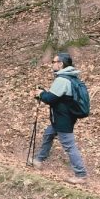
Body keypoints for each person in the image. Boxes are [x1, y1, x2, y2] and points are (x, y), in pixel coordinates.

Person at [32, 53, 88, 184]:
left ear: (61, 64)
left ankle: (81, 174)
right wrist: (43, 94)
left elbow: (50, 98)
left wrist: (40, 94)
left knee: (69, 146)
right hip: (63, 117)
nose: (52, 64)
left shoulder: (62, 80)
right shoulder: (72, 78)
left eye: (53, 61)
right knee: (48, 134)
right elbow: (57, 97)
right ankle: (39, 160)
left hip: (63, 119)